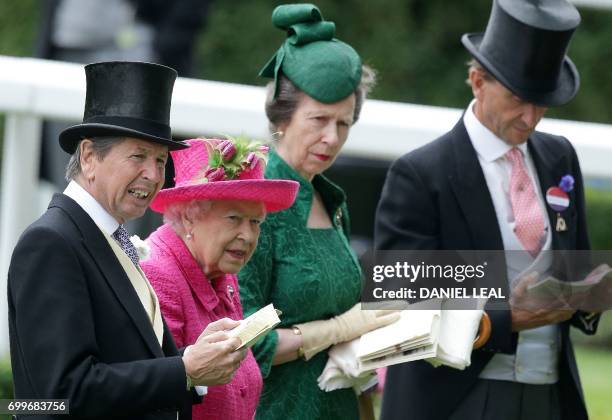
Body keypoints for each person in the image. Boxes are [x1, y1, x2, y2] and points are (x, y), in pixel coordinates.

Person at [375, 1, 600, 419]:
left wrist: (593, 290)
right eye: (517, 99)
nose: (530, 118)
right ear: (477, 81)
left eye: (542, 102)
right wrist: (508, 317)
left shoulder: (560, 157)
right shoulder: (421, 173)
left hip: (551, 392)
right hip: (457, 397)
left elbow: (575, 264)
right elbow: (401, 300)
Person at [7, 61, 245, 419]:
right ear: (88, 156)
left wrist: (194, 362)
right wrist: (185, 370)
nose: (152, 174)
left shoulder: (112, 237)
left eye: (161, 160)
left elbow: (131, 361)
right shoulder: (51, 242)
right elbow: (61, 395)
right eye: (138, 156)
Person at [238, 4, 398, 420]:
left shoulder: (331, 198)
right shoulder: (254, 203)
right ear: (281, 119)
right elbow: (247, 340)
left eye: (344, 124)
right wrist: (334, 331)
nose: (332, 137)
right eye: (319, 119)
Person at [141, 136, 299, 420]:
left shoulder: (221, 274)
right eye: (233, 218)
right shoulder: (158, 273)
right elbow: (158, 395)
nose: (248, 236)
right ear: (190, 216)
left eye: (255, 222)